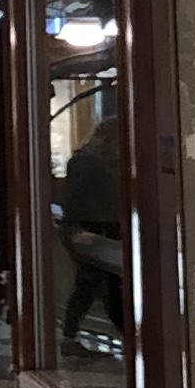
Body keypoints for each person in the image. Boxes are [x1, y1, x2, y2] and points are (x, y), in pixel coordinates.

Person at [57, 119, 124, 352]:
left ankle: (70, 336)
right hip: (90, 230)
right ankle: (71, 336)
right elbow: (78, 200)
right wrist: (79, 230)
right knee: (98, 284)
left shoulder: (86, 160)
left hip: (92, 229)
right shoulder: (87, 163)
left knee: (96, 285)